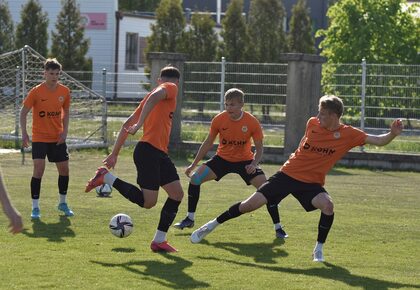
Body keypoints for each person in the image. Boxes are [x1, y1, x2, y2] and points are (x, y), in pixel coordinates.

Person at [190, 95, 403, 262]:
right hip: (287, 174)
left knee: (327, 205)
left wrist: (392, 134)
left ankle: (318, 250)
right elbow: (305, 140)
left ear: (334, 115)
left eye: (323, 114)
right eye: (318, 114)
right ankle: (211, 225)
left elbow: (378, 140)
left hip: (311, 183)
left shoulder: (349, 134)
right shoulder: (312, 122)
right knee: (249, 205)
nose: (318, 117)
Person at [85, 65, 184, 253]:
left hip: (158, 154)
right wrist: (140, 124)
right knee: (148, 202)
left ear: (157, 80)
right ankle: (106, 178)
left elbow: (125, 124)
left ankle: (159, 241)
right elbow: (141, 113)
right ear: (176, 82)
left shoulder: (150, 97)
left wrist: (114, 153)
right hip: (149, 152)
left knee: (176, 194)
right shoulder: (170, 87)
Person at [174, 88, 287, 239]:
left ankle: (278, 228)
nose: (228, 108)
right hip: (222, 160)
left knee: (267, 189)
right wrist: (193, 165)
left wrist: (254, 164)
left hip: (245, 162)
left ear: (241, 104)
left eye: (232, 105)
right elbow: (208, 143)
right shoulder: (219, 120)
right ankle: (189, 219)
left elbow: (259, 149)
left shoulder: (252, 122)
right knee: (195, 179)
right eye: (226, 104)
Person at [20, 58, 74, 219]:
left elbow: (66, 112)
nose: (54, 76)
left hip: (57, 138)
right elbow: (23, 113)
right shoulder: (36, 91)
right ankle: (35, 207)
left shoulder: (64, 91)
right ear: (44, 73)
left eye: (57, 74)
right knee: (39, 169)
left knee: (64, 170)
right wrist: (24, 133)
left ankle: (62, 203)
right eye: (51, 73)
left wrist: (64, 133)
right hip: (39, 138)